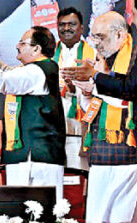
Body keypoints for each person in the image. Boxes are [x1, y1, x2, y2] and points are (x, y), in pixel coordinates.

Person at [62, 11, 137, 223]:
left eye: (100, 36)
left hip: (127, 146)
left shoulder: (134, 58)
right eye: (93, 37)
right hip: (101, 148)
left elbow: (128, 97)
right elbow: (92, 107)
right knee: (105, 221)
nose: (94, 42)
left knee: (120, 220)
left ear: (119, 35)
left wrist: (95, 81)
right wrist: (84, 90)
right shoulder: (99, 59)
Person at [0, 26, 66, 200]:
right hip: (27, 156)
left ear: (36, 48)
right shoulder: (30, 70)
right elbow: (5, 70)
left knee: (41, 216)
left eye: (22, 43)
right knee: (21, 215)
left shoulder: (38, 70)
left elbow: (1, 80)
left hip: (37, 157)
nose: (17, 46)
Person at [55, 7, 96, 170]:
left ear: (81, 28)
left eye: (71, 24)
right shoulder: (48, 53)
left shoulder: (92, 55)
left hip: (80, 128)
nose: (66, 28)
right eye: (62, 24)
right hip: (53, 128)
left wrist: (72, 87)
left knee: (79, 176)